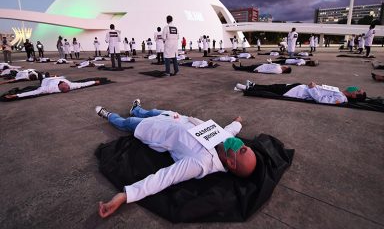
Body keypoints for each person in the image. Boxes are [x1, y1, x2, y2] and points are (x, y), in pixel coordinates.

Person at [95, 100, 257, 218]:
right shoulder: (224, 141)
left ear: (230, 162)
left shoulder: (200, 162)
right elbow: (230, 131)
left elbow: (165, 177)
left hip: (157, 130)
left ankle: (108, 115)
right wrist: (237, 123)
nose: (240, 143)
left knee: (127, 123)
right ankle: (136, 109)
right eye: (245, 146)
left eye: (242, 149)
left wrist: (126, 195)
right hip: (174, 117)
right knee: (151, 112)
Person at [236, 81, 366, 104]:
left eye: (358, 90)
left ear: (354, 95)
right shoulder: (340, 92)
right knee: (273, 86)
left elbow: (321, 99)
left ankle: (247, 89)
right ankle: (253, 85)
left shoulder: (341, 99)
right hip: (300, 87)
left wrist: (312, 87)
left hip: (298, 92)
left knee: (271, 90)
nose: (355, 88)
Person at [4, 76, 100, 99]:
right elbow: (84, 84)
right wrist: (94, 81)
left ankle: (43, 76)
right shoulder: (71, 85)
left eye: (67, 86)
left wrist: (16, 95)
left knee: (42, 79)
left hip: (46, 81)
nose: (68, 85)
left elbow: (32, 93)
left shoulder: (48, 89)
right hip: (54, 78)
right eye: (67, 86)